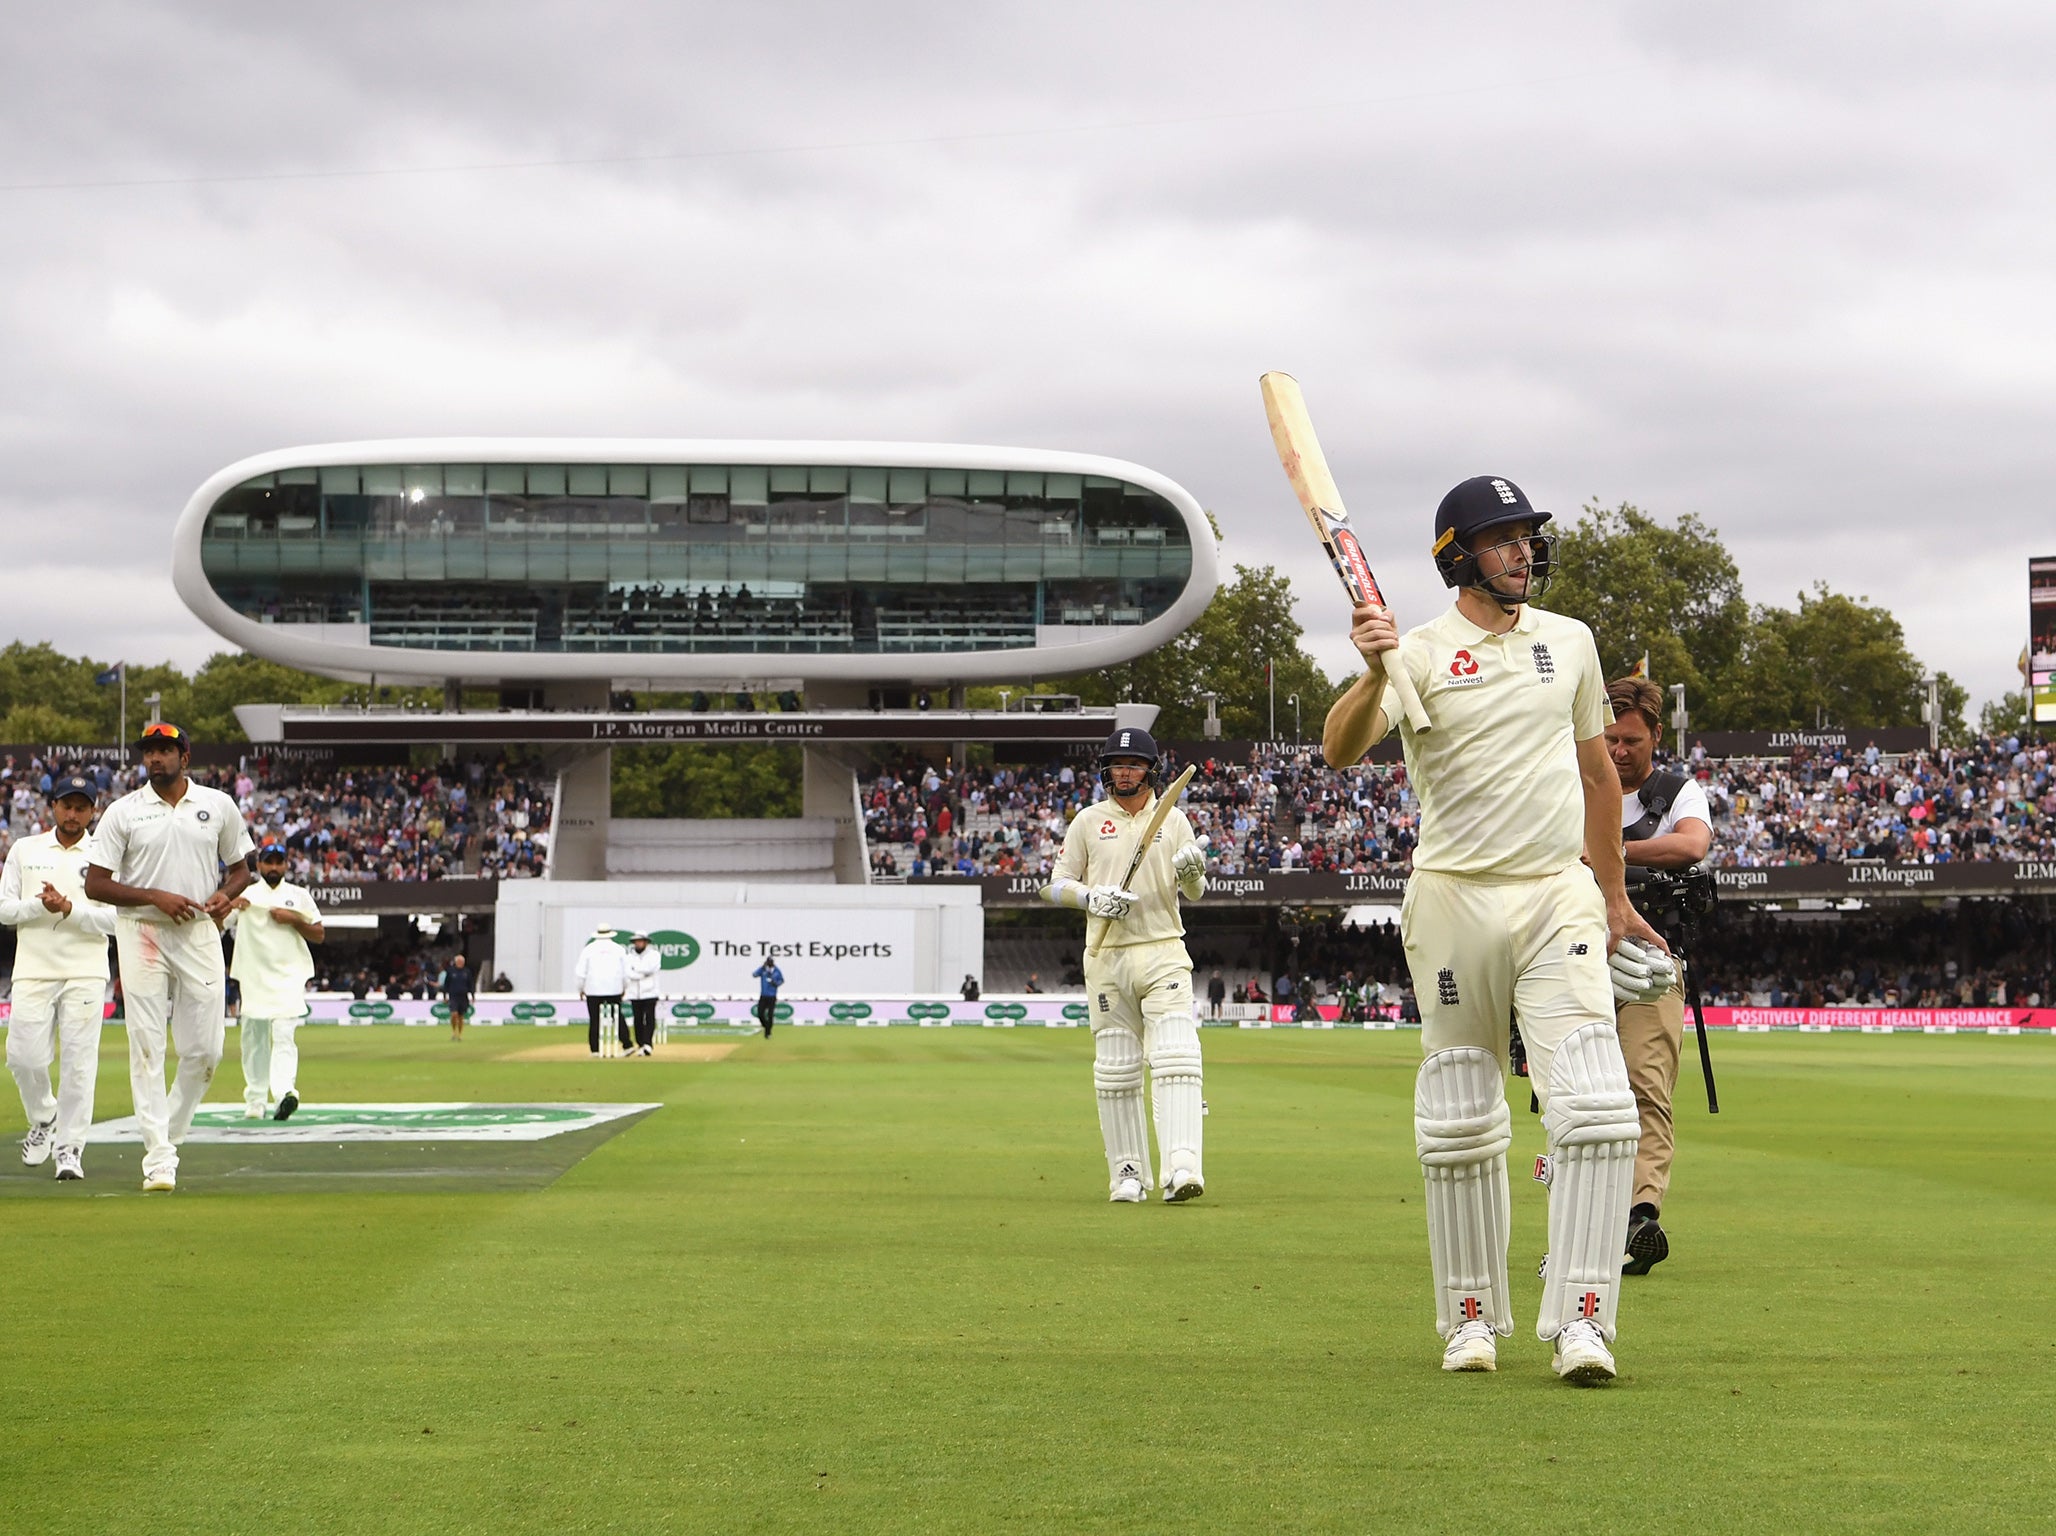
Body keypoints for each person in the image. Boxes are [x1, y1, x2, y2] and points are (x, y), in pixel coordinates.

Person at [1321, 475, 1669, 1385]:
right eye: (1502, 538)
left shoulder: (1573, 643)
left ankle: (1583, 1322)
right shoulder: (1421, 652)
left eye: (1526, 536)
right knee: (1461, 1120)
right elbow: (1340, 748)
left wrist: (1615, 896)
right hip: (1454, 899)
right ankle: (1469, 1320)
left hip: (1557, 893)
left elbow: (1600, 779)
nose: (1522, 551)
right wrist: (1371, 670)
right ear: (1457, 555)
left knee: (1597, 1107)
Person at [1041, 725, 1209, 1204]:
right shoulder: (1088, 821)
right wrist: (1092, 896)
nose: (1124, 772)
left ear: (1151, 770)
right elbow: (1053, 886)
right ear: (1106, 771)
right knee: (1117, 1070)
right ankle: (1128, 1175)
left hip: (1163, 949)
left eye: (1133, 764)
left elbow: (1195, 892)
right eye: (1117, 765)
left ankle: (1182, 1167)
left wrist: (1195, 874)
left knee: (1176, 1055)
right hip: (1106, 956)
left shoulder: (1173, 820)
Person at [83, 723, 255, 1192]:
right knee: (146, 1044)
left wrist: (224, 894)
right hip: (142, 932)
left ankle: (170, 1131)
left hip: (199, 931)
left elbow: (243, 870)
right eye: (149, 752)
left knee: (206, 1052)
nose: (155, 758)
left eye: (165, 750)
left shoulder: (217, 805)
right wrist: (153, 897)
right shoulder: (124, 811)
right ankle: (158, 1155)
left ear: (185, 756)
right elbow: (95, 884)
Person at [1605, 676, 1713, 1277]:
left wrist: (1606, 851)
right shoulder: (1574, 780)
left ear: (1655, 737)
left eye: (1631, 739)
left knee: (1647, 1087)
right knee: (1578, 1096)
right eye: (1609, 738)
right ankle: (1587, 1214)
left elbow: (1691, 846)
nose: (1619, 750)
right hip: (1570, 953)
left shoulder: (1679, 791)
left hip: (1650, 963)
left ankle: (1640, 1217)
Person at [1, 774, 117, 1181]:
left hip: (85, 969)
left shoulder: (107, 853)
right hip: (33, 968)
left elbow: (118, 920)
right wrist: (41, 907)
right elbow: (4, 910)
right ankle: (44, 1117)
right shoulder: (25, 848)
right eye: (66, 805)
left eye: (81, 807)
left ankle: (70, 1149)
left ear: (93, 810)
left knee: (79, 1064)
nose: (73, 814)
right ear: (53, 806)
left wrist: (71, 909)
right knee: (22, 1056)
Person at [223, 842, 324, 1121]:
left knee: (283, 1035)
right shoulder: (246, 894)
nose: (274, 867)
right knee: (254, 1037)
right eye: (269, 862)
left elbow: (318, 934)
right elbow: (217, 924)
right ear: (259, 866)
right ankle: (255, 1098)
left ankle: (284, 1094)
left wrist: (293, 919)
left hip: (289, 975)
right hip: (253, 974)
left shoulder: (298, 896)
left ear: (286, 866)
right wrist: (230, 904)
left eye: (279, 862)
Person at [574, 925, 629, 1056]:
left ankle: (595, 1050)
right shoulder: (619, 949)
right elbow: (625, 972)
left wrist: (580, 989)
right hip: (614, 988)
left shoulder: (588, 949)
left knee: (594, 1019)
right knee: (617, 1017)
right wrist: (624, 987)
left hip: (593, 989)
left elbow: (580, 972)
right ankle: (627, 1044)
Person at [624, 932, 661, 1055]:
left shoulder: (654, 955)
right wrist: (642, 973)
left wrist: (637, 970)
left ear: (646, 942)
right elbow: (628, 973)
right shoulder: (629, 957)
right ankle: (641, 1044)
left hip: (650, 992)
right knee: (638, 1019)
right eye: (636, 941)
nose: (638, 943)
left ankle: (648, 1044)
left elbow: (651, 969)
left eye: (640, 941)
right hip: (634, 993)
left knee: (649, 1018)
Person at [440, 953, 475, 1041]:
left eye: (462, 961)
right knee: (454, 1014)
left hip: (463, 997)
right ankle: (453, 1032)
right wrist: (444, 996)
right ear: (455, 962)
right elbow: (446, 984)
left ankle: (459, 1034)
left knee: (461, 1016)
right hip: (453, 996)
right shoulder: (451, 971)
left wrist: (473, 995)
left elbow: (470, 984)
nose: (460, 963)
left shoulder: (467, 972)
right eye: (459, 961)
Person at [751, 957, 784, 1037]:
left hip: (772, 996)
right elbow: (754, 974)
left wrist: (775, 983)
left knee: (770, 1014)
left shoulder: (776, 971)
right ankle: (766, 1026)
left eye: (770, 962)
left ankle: (768, 1033)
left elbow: (781, 980)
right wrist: (761, 968)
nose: (769, 964)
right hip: (763, 995)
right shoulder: (763, 970)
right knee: (760, 1014)